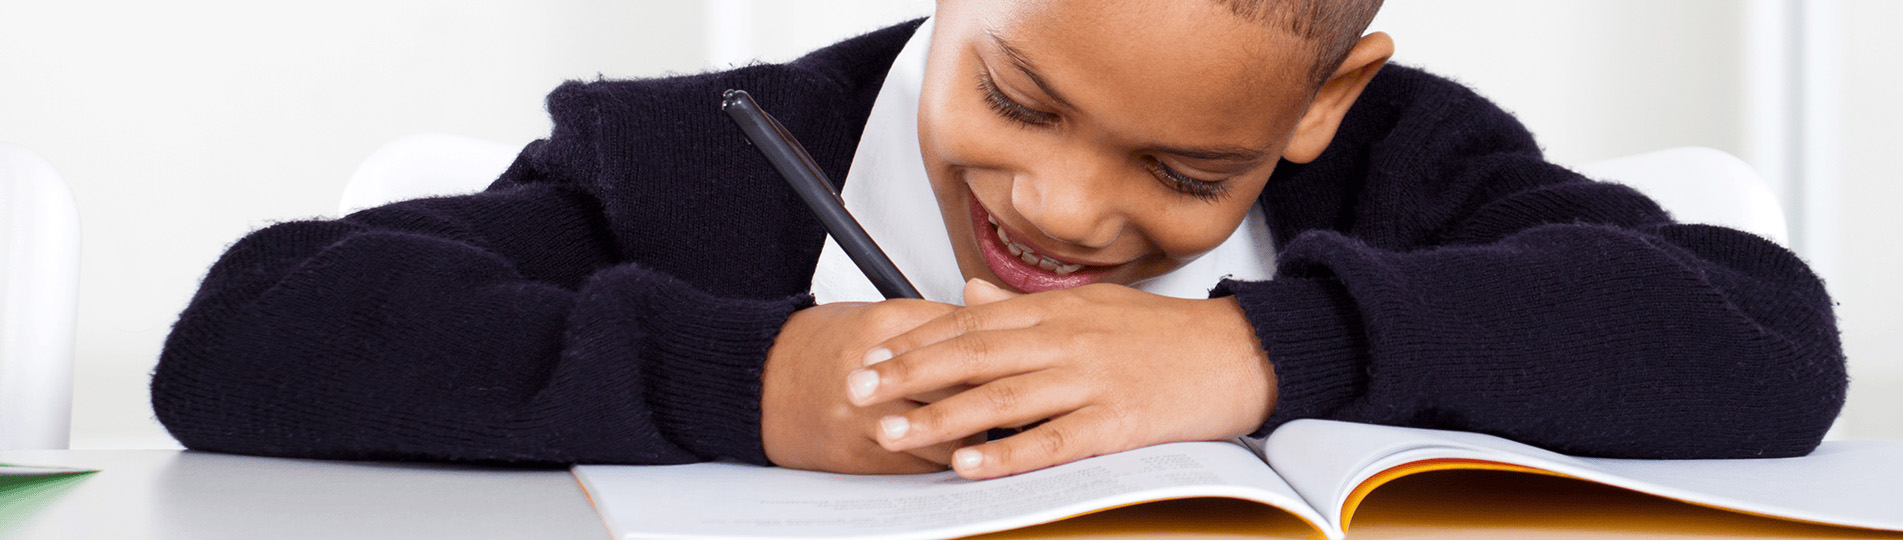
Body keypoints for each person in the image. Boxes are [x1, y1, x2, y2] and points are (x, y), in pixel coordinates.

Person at [151, 0, 1846, 480]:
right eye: (1019, 102)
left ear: (1324, 103)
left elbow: (1764, 338)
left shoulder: (1394, 162)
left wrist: (1254, 348)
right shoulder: (703, 163)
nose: (1065, 208)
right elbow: (255, 330)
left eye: (1188, 165)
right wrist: (761, 382)